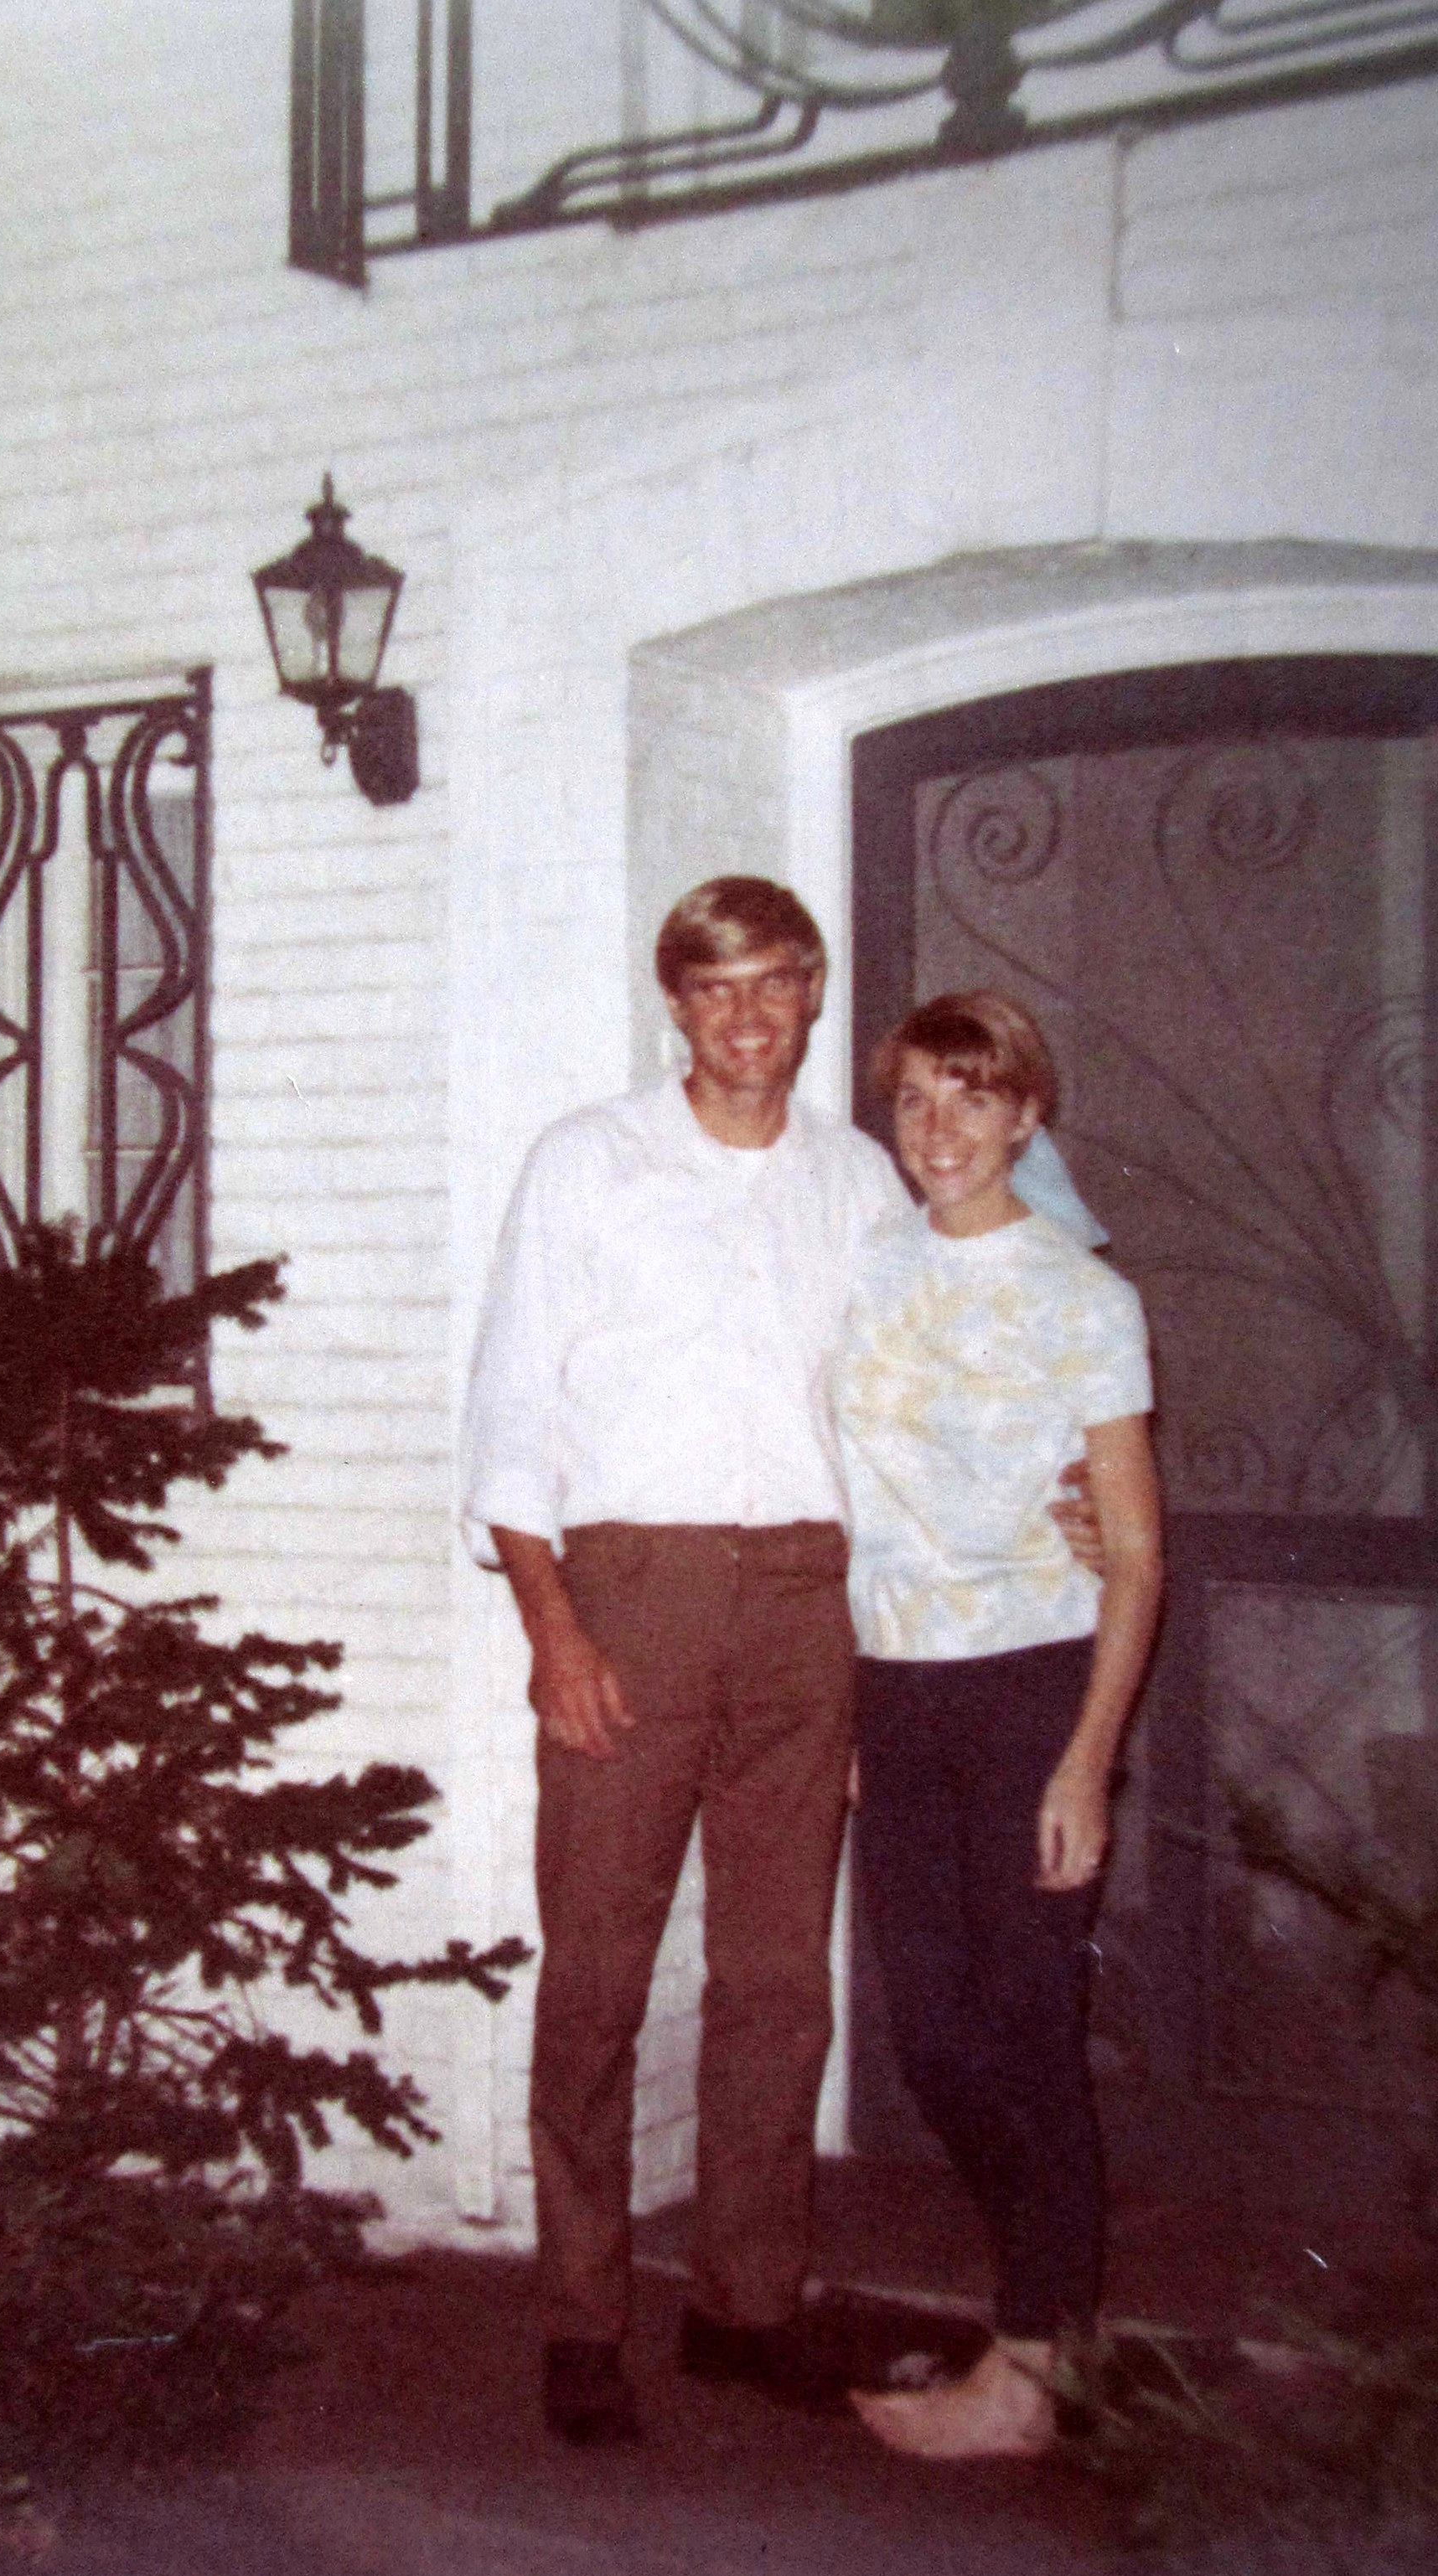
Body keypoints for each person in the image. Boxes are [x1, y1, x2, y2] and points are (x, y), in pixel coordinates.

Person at [459, 881, 1103, 2446]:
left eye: (776, 984)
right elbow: (510, 1408)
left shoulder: (864, 1180)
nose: (747, 1016)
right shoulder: (587, 1161)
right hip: (635, 1591)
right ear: (675, 1003)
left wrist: (1082, 1477)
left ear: (814, 994)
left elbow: (969, 1344)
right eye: (716, 987)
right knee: (600, 1970)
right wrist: (553, 1630)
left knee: (774, 1977)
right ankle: (582, 2316)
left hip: (818, 1601)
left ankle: (746, 2305)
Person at [833, 989, 1162, 2462]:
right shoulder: (867, 1263)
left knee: (1026, 2029)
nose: (940, 1127)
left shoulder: (1085, 1299)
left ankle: (1027, 2364)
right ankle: (1058, 2323)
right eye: (915, 1097)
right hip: (894, 1687)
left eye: (974, 1096)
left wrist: (1088, 1759)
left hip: (1033, 1681)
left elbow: (1136, 1553)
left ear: (1029, 1114)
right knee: (930, 2039)